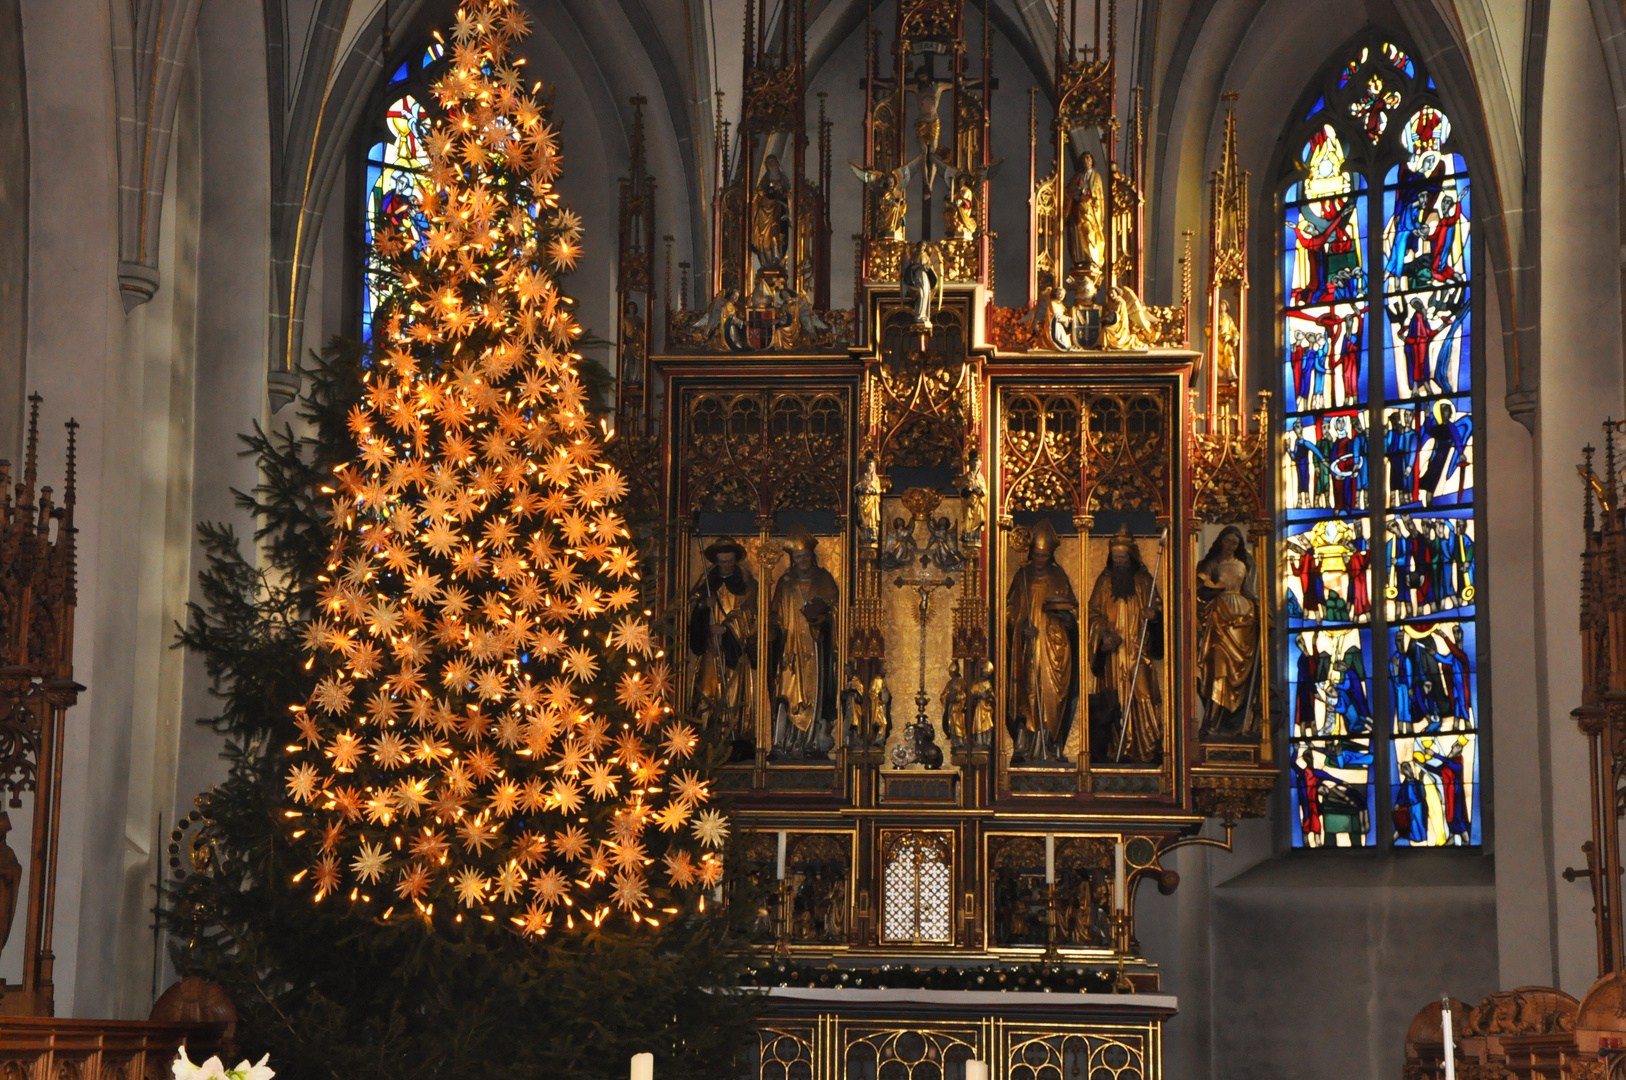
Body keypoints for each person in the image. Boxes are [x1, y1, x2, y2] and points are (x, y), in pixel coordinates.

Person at [1088, 525, 1163, 763]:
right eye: (1116, 557)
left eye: (1123, 557)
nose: (1119, 561)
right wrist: (1103, 634)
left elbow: (1159, 607)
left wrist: (1155, 615)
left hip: (1138, 649)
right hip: (1113, 654)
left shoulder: (1143, 581)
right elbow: (1092, 613)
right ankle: (1116, 750)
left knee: (1142, 695)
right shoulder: (1104, 581)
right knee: (1115, 700)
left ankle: (1146, 748)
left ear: (1131, 557)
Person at [1006, 519, 1079, 763]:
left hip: (1053, 647)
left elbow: (1072, 613)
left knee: (1052, 696)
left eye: (1044, 556)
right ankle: (1024, 744)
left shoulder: (1059, 577)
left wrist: (1062, 619)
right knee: (1027, 694)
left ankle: (1051, 744)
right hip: (1028, 648)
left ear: (1051, 555)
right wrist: (1019, 626)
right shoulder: (1022, 576)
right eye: (1036, 555)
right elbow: (1008, 611)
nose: (1039, 560)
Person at [769, 525, 840, 758]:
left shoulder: (824, 578)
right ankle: (783, 742)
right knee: (786, 693)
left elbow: (836, 607)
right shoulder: (785, 582)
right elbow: (776, 614)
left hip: (815, 645)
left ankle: (810, 742)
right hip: (790, 647)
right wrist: (773, 631)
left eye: (806, 556)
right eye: (798, 557)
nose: (803, 560)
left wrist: (823, 617)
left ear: (812, 557)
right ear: (793, 559)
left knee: (813, 693)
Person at [687, 538, 757, 751]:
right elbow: (691, 607)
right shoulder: (707, 581)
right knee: (708, 690)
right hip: (711, 648)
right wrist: (702, 606)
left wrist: (727, 628)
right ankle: (708, 735)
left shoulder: (746, 582)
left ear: (735, 560)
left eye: (729, 561)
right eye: (721, 562)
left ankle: (735, 735)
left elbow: (751, 612)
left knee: (734, 692)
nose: (725, 565)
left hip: (734, 649)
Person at [1195, 526, 1260, 737]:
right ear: (1221, 542)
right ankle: (1212, 720)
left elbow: (1250, 590)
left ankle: (1239, 722)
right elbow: (1200, 584)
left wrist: (1259, 610)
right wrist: (1212, 587)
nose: (1231, 545)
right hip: (1219, 614)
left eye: (1235, 542)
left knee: (1242, 671)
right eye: (1227, 541)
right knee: (1217, 666)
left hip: (1243, 616)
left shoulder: (1244, 564)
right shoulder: (1212, 563)